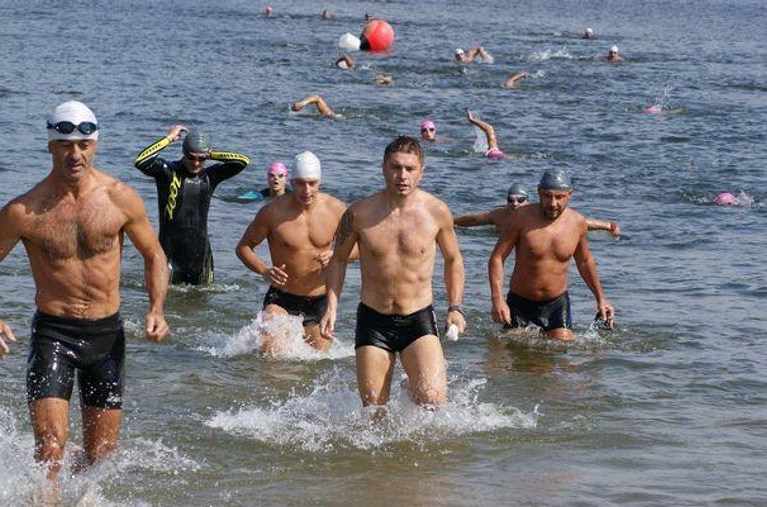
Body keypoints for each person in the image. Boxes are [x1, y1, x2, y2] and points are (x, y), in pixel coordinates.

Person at [0, 101, 170, 507]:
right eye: (65, 144)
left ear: (95, 144)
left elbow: (154, 256)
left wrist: (157, 308)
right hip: (53, 334)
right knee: (49, 448)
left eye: (83, 144)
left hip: (107, 336)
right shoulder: (24, 211)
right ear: (50, 146)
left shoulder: (121, 199)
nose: (74, 153)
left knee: (102, 456)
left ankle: (67, 499)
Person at [321, 136, 466, 409]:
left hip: (418, 317)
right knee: (373, 411)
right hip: (374, 320)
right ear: (383, 168)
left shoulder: (436, 211)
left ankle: (410, 385)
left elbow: (453, 259)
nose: (402, 176)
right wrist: (331, 305)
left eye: (410, 169)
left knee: (433, 402)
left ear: (422, 171)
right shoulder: (358, 214)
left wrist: (455, 307)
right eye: (395, 167)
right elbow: (338, 260)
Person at [235, 152, 353, 354]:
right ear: (292, 181)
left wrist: (337, 254)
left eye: (312, 183)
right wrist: (264, 270)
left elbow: (359, 247)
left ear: (320, 182)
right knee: (273, 361)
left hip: (319, 301)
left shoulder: (337, 210)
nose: (306, 190)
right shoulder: (272, 213)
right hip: (281, 299)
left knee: (318, 367)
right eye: (300, 183)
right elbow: (243, 248)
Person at [488, 168, 615, 340]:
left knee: (560, 353)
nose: (553, 203)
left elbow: (584, 262)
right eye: (547, 196)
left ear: (569, 194)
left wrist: (601, 298)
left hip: (556, 303)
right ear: (539, 192)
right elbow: (497, 258)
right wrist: (497, 299)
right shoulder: (521, 217)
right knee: (509, 353)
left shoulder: (577, 223)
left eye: (559, 197)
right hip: (520, 302)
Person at [134, 125, 250, 286]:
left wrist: (210, 154)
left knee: (202, 302)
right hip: (169, 251)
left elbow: (243, 161)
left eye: (201, 159)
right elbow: (141, 161)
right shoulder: (167, 172)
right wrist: (168, 139)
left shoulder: (210, 176)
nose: (196, 163)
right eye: (191, 157)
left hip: (200, 255)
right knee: (164, 299)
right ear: (183, 153)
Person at [455, 183, 621, 237]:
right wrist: (450, 222)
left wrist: (607, 226)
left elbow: (580, 222)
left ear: (528, 201)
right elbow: (474, 219)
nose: (515, 204)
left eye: (519, 200)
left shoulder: (538, 214)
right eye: (510, 200)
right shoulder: (499, 215)